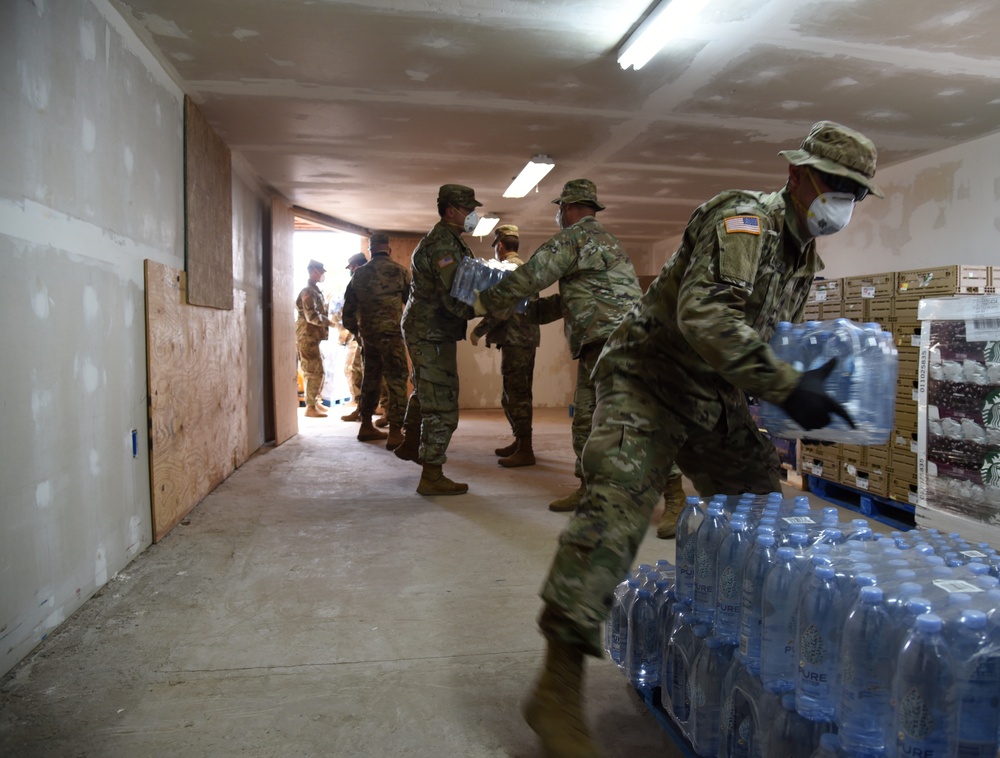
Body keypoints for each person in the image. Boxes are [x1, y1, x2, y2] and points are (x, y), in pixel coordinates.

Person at [521, 121, 882, 757]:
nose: (842, 202)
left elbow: (758, 341)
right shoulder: (743, 219)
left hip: (711, 394)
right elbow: (706, 314)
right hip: (649, 378)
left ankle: (736, 635)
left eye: (854, 192)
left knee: (761, 511)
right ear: (797, 176)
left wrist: (792, 396)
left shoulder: (803, 260)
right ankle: (556, 686)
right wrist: (788, 383)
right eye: (834, 185)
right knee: (615, 510)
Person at [475, 179, 642, 510]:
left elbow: (530, 277)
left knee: (611, 420)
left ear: (566, 209)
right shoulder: (610, 242)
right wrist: (532, 311)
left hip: (608, 342)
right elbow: (573, 299)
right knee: (609, 418)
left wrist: (483, 302)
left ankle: (663, 495)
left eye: (559, 210)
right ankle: (595, 489)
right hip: (627, 339)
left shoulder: (573, 238)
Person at [393, 184, 480, 495]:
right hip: (429, 330)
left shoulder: (451, 241)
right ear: (450, 211)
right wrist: (491, 305)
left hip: (430, 328)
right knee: (442, 402)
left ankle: (411, 442)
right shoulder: (443, 245)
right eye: (468, 210)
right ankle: (431, 474)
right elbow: (456, 298)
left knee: (426, 388)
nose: (473, 216)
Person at [470, 225, 541, 467]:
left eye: (495, 247)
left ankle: (526, 449)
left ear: (500, 245)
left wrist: (480, 329)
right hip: (525, 338)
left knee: (515, 396)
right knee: (519, 393)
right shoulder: (525, 268)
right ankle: (521, 443)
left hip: (515, 339)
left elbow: (503, 307)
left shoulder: (508, 269)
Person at [342, 233, 411, 449]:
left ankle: (365, 426)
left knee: (370, 378)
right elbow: (412, 305)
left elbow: (347, 314)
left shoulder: (359, 274)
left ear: (371, 250)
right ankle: (395, 432)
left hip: (369, 337)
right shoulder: (400, 271)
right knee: (397, 379)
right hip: (391, 336)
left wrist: (360, 333)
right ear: (388, 249)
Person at [295, 259, 336, 418]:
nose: (323, 274)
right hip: (306, 338)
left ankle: (314, 402)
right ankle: (310, 407)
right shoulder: (308, 292)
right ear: (314, 271)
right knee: (313, 371)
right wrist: (330, 323)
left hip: (313, 338)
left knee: (318, 370)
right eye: (321, 271)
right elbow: (311, 316)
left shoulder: (315, 291)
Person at [339, 252, 368, 422]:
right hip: (369, 334)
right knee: (358, 371)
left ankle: (376, 412)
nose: (350, 271)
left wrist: (355, 331)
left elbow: (348, 313)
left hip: (365, 334)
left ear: (355, 266)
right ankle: (362, 408)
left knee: (363, 371)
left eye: (350, 267)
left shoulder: (357, 281)